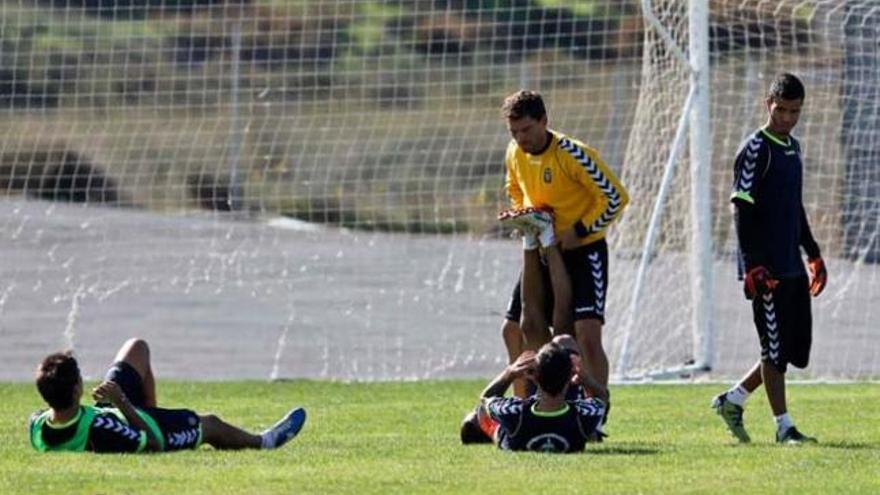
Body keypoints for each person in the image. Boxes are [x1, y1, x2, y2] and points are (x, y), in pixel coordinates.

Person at [712, 73, 826, 445]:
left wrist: (813, 253)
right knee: (773, 349)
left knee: (795, 351)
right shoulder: (755, 149)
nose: (788, 118)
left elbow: (795, 207)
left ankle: (734, 399)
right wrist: (753, 265)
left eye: (795, 111)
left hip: (792, 263)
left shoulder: (793, 147)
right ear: (767, 105)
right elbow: (740, 208)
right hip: (767, 270)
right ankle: (784, 427)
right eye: (781, 110)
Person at [502, 89, 630, 391]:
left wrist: (579, 231)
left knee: (585, 333)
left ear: (544, 120)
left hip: (584, 251)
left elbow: (616, 198)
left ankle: (596, 409)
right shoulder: (514, 152)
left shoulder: (573, 153)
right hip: (545, 249)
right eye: (514, 132)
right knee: (513, 328)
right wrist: (523, 215)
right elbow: (515, 188)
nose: (521, 138)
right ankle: (528, 403)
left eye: (527, 130)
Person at [29, 338, 307, 453]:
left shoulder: (38, 425)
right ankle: (265, 442)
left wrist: (115, 401)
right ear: (77, 389)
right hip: (146, 426)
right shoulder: (100, 429)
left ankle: (153, 410)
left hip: (112, 408)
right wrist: (122, 402)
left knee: (136, 347)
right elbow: (150, 444)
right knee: (210, 424)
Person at [460, 335, 607, 453]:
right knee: (564, 340)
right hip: (572, 423)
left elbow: (485, 398)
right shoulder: (584, 416)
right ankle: (593, 433)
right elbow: (602, 398)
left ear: (535, 378)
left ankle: (494, 432)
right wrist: (585, 379)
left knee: (473, 419)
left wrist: (510, 373)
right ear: (570, 376)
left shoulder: (514, 412)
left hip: (513, 429)